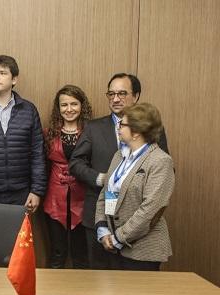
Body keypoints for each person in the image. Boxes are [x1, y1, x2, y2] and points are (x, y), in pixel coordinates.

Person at [70, 73, 169, 269]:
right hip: (101, 223)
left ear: (136, 95)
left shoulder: (154, 136)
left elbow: (155, 195)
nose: (115, 99)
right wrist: (101, 180)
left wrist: (119, 237)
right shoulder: (97, 131)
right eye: (111, 94)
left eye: (122, 93)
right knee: (99, 285)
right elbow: (75, 164)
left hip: (138, 234)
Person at [94, 103, 174, 270]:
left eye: (122, 124)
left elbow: (150, 209)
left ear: (136, 132)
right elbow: (106, 192)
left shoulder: (160, 161)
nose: (118, 127)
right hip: (112, 246)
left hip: (143, 251)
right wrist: (103, 229)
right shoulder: (119, 155)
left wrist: (118, 238)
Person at [0, 55, 46, 213]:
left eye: (2, 73)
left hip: (20, 193)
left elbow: (37, 153)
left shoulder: (28, 110)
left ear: (14, 79)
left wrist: (36, 191)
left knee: (18, 238)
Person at [43, 85, 92, 269]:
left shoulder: (91, 132)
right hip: (54, 198)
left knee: (81, 254)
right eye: (64, 105)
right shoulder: (48, 134)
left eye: (74, 104)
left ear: (82, 106)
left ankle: (85, 294)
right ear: (58, 108)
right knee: (57, 252)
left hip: (83, 198)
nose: (69, 109)